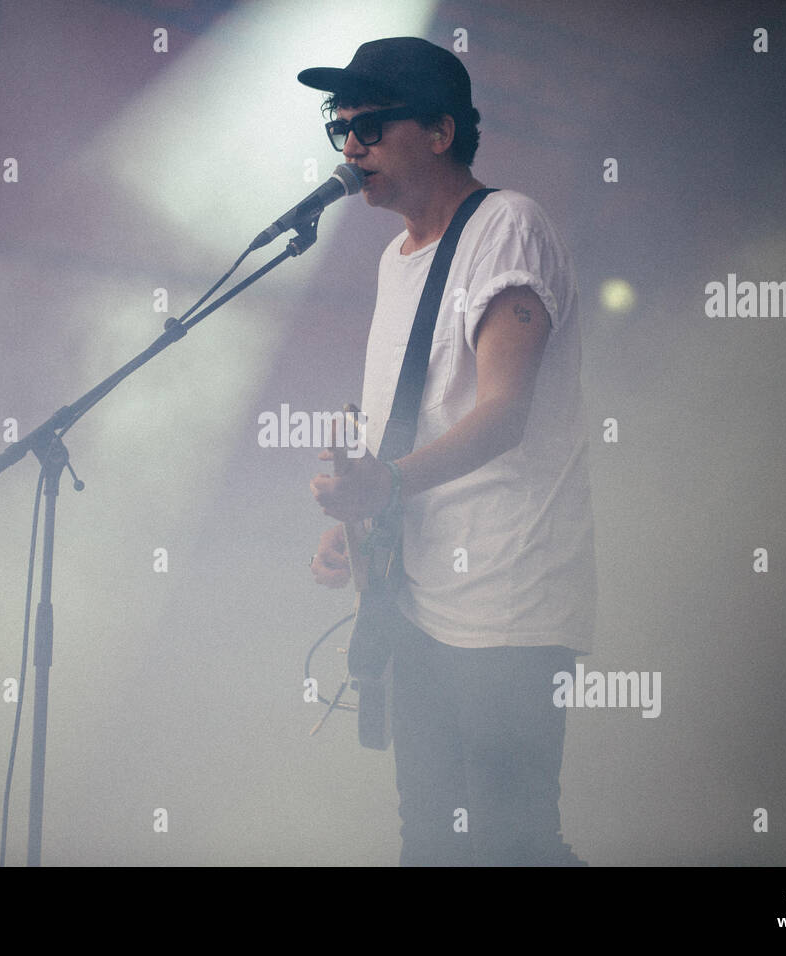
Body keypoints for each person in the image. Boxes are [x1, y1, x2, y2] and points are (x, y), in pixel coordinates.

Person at [304, 37, 596, 866]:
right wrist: (359, 519)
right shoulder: (398, 259)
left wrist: (384, 482)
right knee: (431, 840)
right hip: (419, 598)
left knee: (514, 843)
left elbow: (505, 413)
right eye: (341, 126)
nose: (351, 144)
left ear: (439, 130)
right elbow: (414, 424)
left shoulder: (506, 226)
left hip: (507, 599)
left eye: (370, 123)